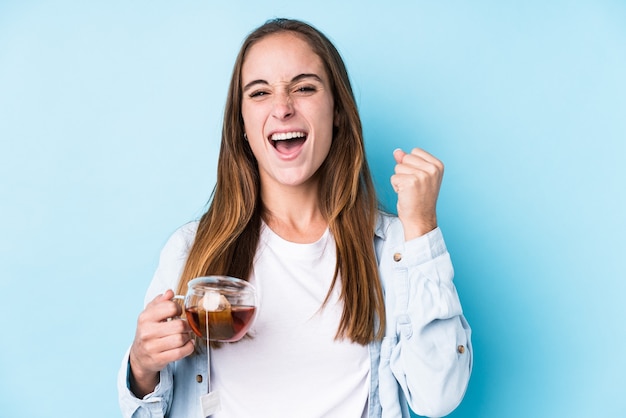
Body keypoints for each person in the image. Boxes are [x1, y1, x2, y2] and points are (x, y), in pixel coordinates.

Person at [118, 18, 472, 418]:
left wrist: (421, 229)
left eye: (304, 88)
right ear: (243, 126)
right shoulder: (189, 250)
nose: (283, 108)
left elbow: (438, 396)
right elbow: (145, 410)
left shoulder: (392, 247)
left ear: (337, 111)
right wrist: (142, 365)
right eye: (260, 93)